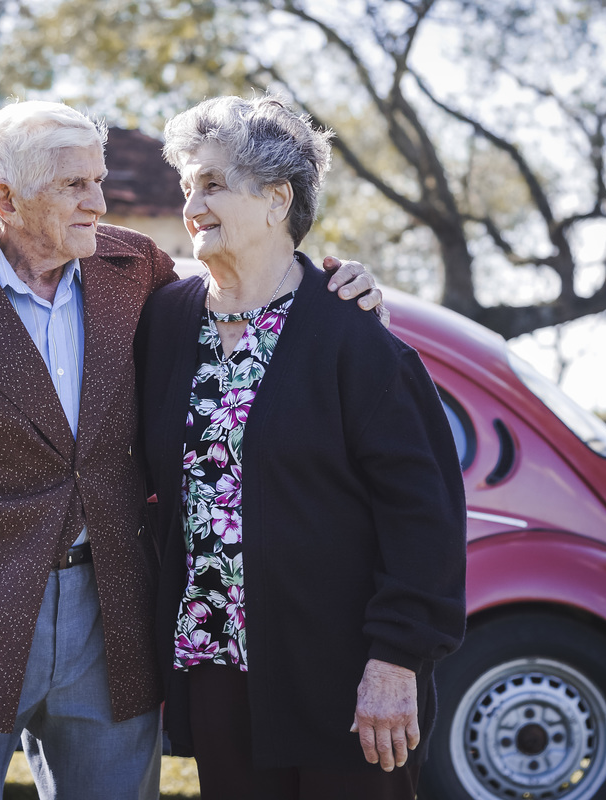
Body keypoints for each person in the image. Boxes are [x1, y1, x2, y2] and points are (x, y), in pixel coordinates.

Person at [0, 99, 384, 800]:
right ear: (5, 199)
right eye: (74, 186)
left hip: (114, 618)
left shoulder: (135, 271)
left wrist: (342, 287)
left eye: (98, 180)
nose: (98, 202)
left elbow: (246, 296)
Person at [134, 95, 467, 800]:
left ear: (276, 198)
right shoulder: (165, 321)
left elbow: (424, 517)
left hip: (342, 677)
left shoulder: (353, 338)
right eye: (188, 185)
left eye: (213, 184)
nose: (192, 202)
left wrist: (396, 661)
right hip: (217, 670)